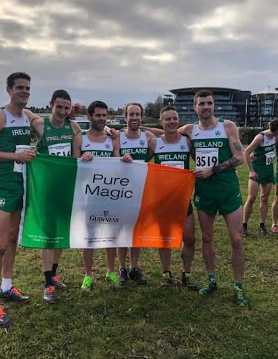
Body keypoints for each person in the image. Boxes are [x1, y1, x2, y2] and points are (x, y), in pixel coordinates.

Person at [0, 72, 41, 328]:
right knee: (0, 243)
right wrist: (15, 157)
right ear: (8, 89)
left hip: (20, 184)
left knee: (14, 238)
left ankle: (7, 286)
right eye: (20, 88)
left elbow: (41, 120)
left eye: (28, 88)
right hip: (2, 185)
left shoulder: (26, 117)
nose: (24, 92)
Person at [178, 90, 248, 307]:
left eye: (209, 103)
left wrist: (213, 170)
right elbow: (166, 129)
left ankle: (238, 285)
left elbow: (239, 158)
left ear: (214, 105)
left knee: (236, 238)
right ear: (194, 107)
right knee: (206, 238)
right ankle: (211, 279)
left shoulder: (227, 126)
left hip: (227, 188)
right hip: (204, 191)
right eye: (202, 104)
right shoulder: (190, 130)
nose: (206, 107)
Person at [72, 100, 131, 290]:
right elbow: (74, 165)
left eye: (104, 115)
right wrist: (82, 159)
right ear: (89, 117)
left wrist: (125, 159)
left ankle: (110, 270)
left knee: (111, 235)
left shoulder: (111, 138)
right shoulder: (80, 138)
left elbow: (116, 162)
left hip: (109, 194)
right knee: (88, 236)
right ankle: (88, 275)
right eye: (98, 115)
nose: (102, 119)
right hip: (88, 195)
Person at [33, 90, 82, 302]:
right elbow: (21, 113)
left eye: (66, 108)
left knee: (61, 235)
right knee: (48, 235)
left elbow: (76, 158)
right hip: (46, 189)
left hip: (66, 189)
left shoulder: (74, 127)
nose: (62, 111)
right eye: (59, 107)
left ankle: (53, 274)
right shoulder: (40, 125)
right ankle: (47, 284)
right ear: (50, 105)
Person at [150, 106, 198, 289]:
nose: (171, 122)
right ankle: (166, 272)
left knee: (190, 238)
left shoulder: (187, 142)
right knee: (164, 239)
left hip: (183, 199)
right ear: (161, 122)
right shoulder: (155, 143)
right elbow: (141, 163)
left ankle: (186, 273)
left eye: (174, 119)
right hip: (163, 200)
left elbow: (200, 159)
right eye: (167, 119)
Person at [117, 102, 156, 286]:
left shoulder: (148, 136)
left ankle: (134, 267)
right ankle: (122, 267)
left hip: (140, 189)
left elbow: (149, 156)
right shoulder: (116, 136)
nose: (134, 118)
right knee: (122, 230)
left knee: (137, 229)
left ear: (142, 117)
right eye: (131, 115)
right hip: (120, 190)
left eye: (137, 115)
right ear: (125, 117)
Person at [242, 118, 278, 237]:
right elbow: (246, 152)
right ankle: (244, 225)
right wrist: (251, 171)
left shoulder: (276, 137)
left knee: (264, 198)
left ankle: (262, 225)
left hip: (268, 169)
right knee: (251, 198)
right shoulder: (261, 137)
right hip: (257, 169)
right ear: (277, 130)